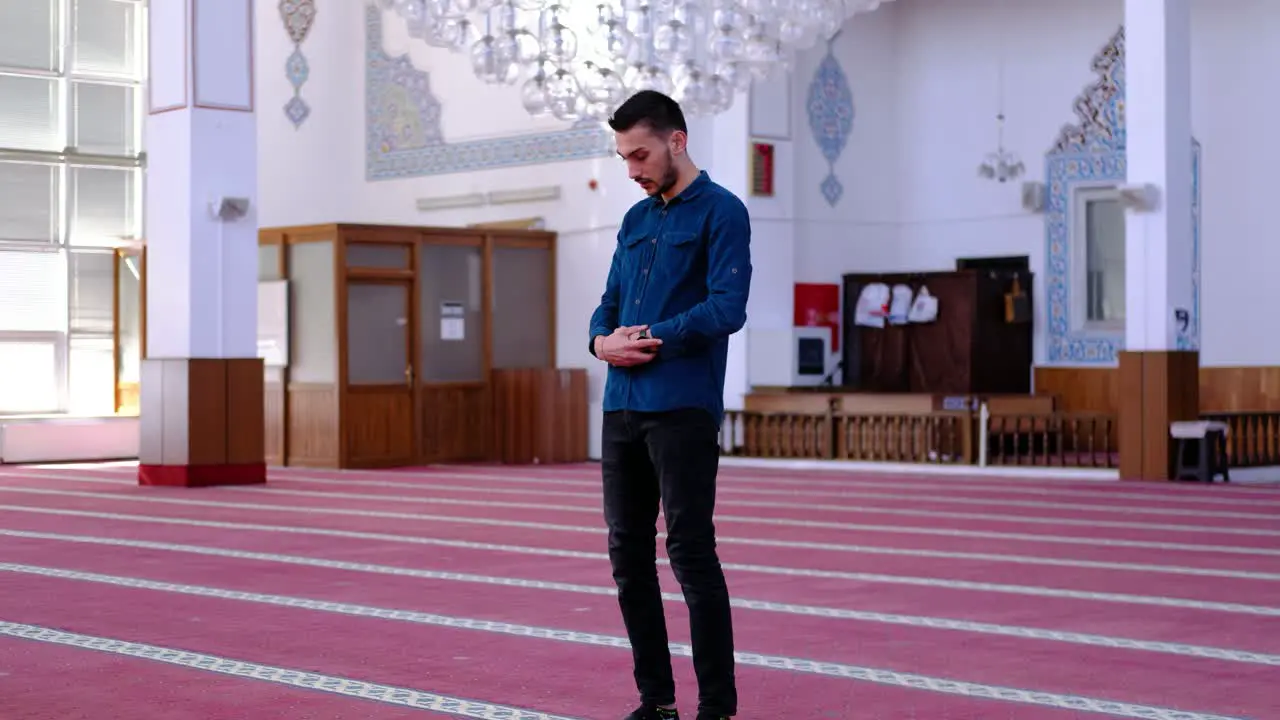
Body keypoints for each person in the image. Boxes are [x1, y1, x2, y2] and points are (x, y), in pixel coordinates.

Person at [587, 89, 751, 720]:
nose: (631, 169)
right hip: (621, 406)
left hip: (681, 407)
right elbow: (608, 300)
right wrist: (602, 342)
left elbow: (725, 309)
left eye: (640, 154)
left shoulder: (722, 213)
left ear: (676, 141)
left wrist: (651, 337)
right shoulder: (634, 220)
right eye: (624, 156)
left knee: (689, 553)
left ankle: (716, 706)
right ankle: (656, 702)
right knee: (627, 557)